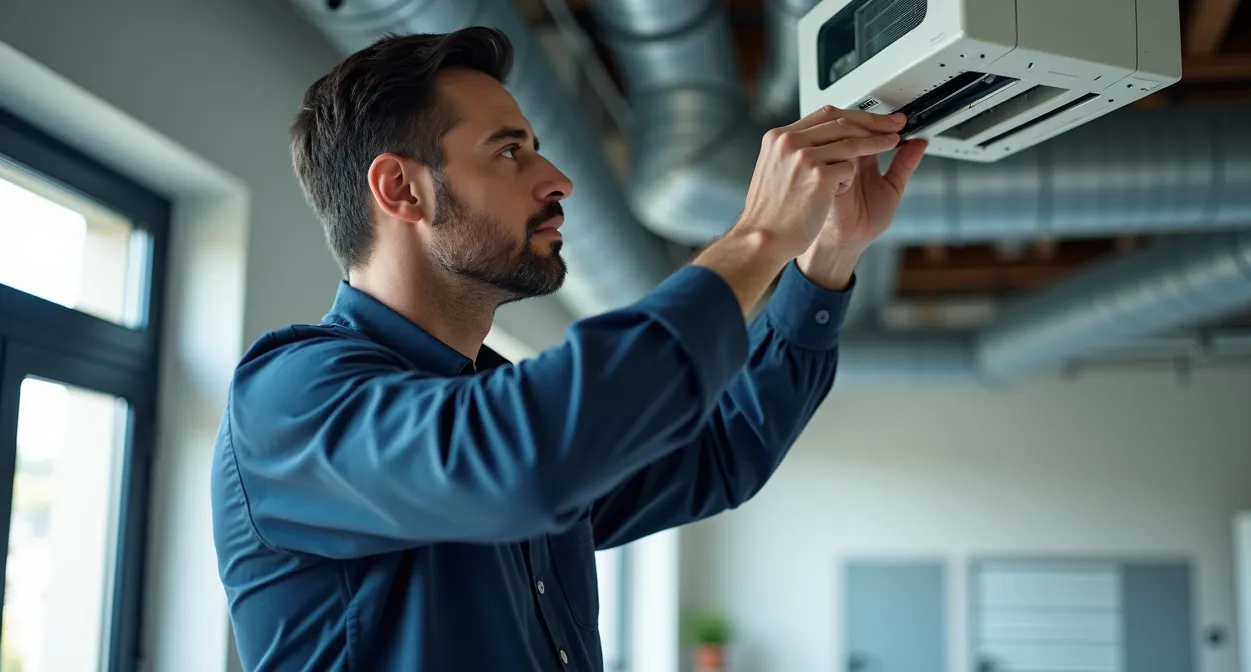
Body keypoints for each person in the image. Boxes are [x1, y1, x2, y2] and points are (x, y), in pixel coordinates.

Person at [211, 26, 926, 672]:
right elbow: (527, 459)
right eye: (509, 151)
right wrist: (757, 238)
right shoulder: (290, 400)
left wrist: (827, 256)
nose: (559, 180)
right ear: (402, 189)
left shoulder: (491, 410)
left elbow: (718, 450)